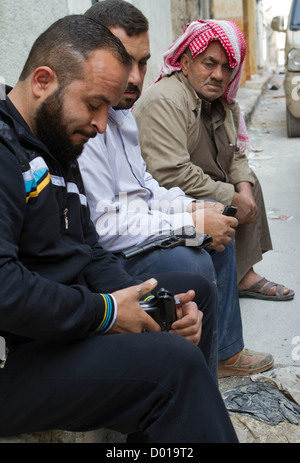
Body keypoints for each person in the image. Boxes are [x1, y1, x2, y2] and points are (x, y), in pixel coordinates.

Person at [0, 14, 240, 443]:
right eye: (93, 105)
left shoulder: (55, 146)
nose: (101, 124)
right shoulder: (7, 153)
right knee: (174, 366)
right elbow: (5, 289)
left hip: (58, 328)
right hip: (19, 359)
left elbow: (89, 250)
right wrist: (107, 312)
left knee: (190, 291)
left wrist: (154, 302)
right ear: (42, 81)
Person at [80, 0, 274, 378]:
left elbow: (145, 186)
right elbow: (107, 224)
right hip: (111, 251)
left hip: (143, 222)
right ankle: (196, 373)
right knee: (194, 258)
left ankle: (222, 352)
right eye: (124, 61)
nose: (134, 77)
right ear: (184, 62)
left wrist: (196, 212)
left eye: (142, 62)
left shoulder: (121, 116)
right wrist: (189, 224)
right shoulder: (95, 119)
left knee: (218, 224)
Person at [133, 19, 295, 302]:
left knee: (250, 184)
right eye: (208, 64)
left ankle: (243, 273)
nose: (219, 75)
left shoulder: (222, 102)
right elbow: (171, 173)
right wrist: (231, 196)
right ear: (184, 64)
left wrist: (242, 189)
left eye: (226, 67)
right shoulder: (167, 100)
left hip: (201, 181)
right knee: (225, 208)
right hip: (168, 197)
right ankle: (225, 297)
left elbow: (235, 154)